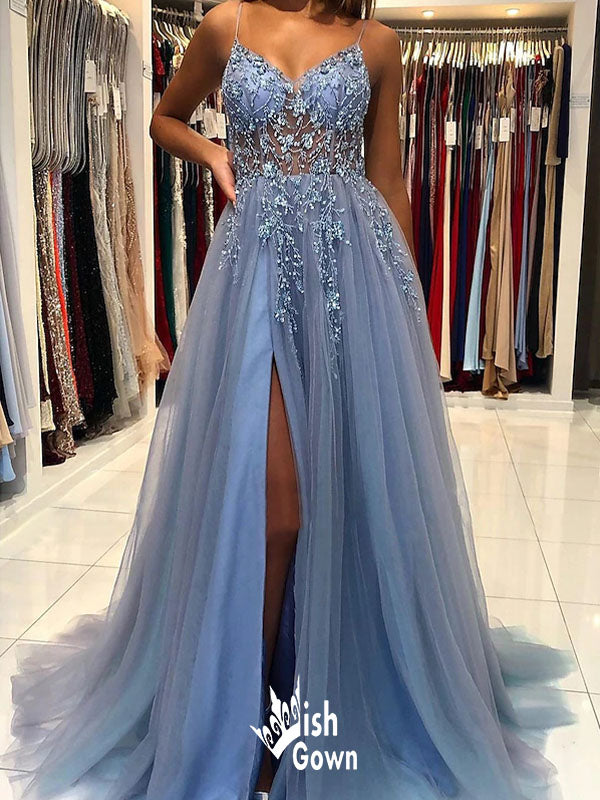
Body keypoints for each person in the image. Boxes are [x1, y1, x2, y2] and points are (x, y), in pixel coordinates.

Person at [2, 1, 575, 799]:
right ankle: (249, 719)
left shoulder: (377, 43)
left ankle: (317, 700)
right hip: (255, 277)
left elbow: (387, 179)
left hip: (351, 277)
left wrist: (407, 309)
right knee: (278, 513)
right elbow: (164, 118)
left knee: (347, 495)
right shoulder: (226, 25)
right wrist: (212, 151)